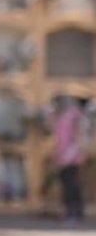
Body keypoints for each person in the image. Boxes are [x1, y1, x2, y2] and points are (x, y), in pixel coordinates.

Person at [51, 95, 90, 223]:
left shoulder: (76, 116)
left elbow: (77, 137)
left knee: (71, 185)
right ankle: (71, 211)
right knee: (67, 184)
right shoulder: (63, 115)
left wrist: (67, 156)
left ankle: (74, 213)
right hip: (64, 155)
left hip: (71, 156)